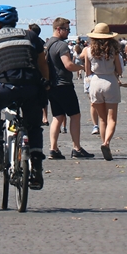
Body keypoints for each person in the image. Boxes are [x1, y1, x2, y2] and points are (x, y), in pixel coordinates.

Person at [0, 5, 48, 187]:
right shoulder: (31, 36)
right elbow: (42, 64)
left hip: (5, 86)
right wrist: (46, 81)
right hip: (31, 86)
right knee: (34, 125)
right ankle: (37, 168)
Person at [44, 17, 93, 160]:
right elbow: (68, 65)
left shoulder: (47, 44)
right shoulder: (61, 46)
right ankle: (76, 148)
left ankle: (53, 148)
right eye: (66, 29)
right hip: (63, 85)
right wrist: (82, 67)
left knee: (57, 117)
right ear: (58, 29)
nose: (68, 32)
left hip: (51, 86)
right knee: (75, 115)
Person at [84, 23, 123, 160]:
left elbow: (87, 71)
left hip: (95, 82)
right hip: (110, 82)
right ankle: (107, 143)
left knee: (102, 119)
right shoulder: (114, 50)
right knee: (112, 118)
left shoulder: (88, 50)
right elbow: (119, 70)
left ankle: (103, 142)